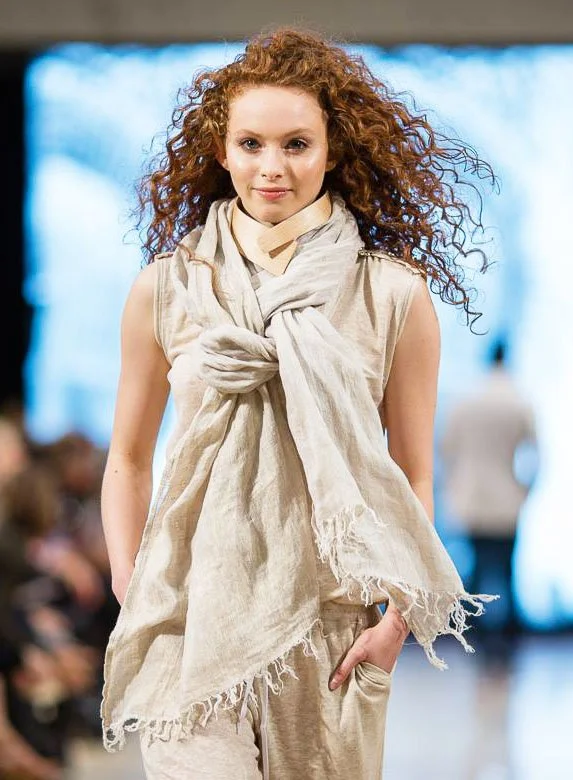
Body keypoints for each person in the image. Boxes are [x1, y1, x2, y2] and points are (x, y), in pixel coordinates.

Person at [100, 28, 496, 779]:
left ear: (332, 150)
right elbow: (125, 457)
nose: (271, 167)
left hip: (328, 627)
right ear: (221, 151)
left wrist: (393, 624)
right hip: (190, 619)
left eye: (295, 144)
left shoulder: (391, 295)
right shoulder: (167, 288)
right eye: (250, 143)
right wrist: (132, 583)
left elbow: (409, 473)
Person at [440, 339, 538, 655]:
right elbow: (535, 456)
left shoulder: (468, 401)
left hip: (473, 501)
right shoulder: (519, 402)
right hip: (507, 500)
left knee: (479, 573)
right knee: (507, 574)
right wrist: (525, 491)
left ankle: (479, 645)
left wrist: (456, 488)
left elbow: (447, 451)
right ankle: (507, 647)